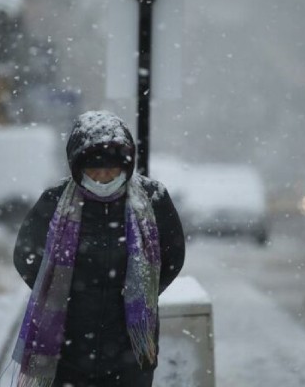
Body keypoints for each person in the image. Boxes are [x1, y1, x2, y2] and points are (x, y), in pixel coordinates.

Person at [11, 110, 185, 387]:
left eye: (112, 168)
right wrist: (63, 293)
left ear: (126, 166)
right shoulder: (55, 201)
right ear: (77, 167)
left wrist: (138, 292)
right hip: (67, 349)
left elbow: (172, 257)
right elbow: (26, 255)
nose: (103, 177)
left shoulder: (154, 199)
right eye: (94, 169)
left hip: (131, 349)